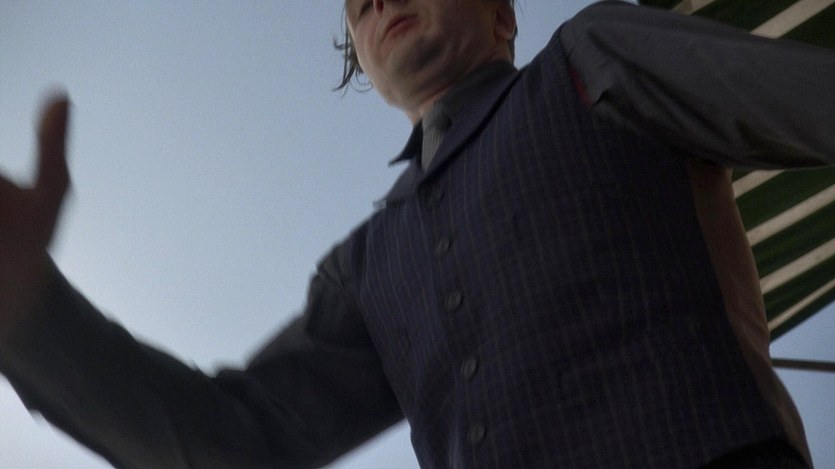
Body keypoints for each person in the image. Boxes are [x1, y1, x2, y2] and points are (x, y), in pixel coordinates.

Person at [1, 0, 833, 467]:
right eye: (356, 4)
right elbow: (235, 442)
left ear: (501, 12)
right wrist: (29, 314)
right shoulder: (363, 265)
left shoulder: (592, 58)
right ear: (364, 65)